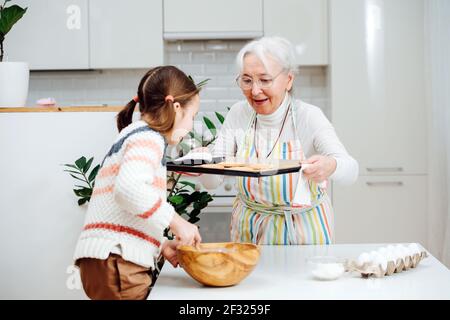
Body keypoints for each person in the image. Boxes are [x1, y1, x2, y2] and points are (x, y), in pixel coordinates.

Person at [199, 36, 358, 245]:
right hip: (249, 234)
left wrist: (331, 165)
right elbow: (212, 182)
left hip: (303, 234)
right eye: (246, 80)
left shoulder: (307, 116)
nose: (255, 91)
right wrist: (204, 165)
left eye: (265, 80)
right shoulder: (240, 114)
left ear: (288, 80)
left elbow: (351, 170)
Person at [73, 66, 202, 300]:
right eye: (192, 116)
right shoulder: (148, 137)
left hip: (107, 260)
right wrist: (177, 222)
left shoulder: (135, 134)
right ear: (176, 108)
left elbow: (125, 211)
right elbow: (129, 189)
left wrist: (161, 244)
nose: (191, 126)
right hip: (118, 262)